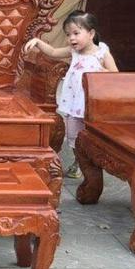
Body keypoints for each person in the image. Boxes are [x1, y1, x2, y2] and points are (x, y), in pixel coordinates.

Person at [23, 11, 118, 178]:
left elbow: (115, 75)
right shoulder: (73, 52)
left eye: (76, 33)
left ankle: (93, 161)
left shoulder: (101, 52)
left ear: (91, 33)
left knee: (92, 136)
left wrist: (103, 72)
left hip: (93, 105)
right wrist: (37, 41)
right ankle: (79, 160)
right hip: (74, 104)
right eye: (68, 35)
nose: (71, 38)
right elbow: (53, 52)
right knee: (74, 136)